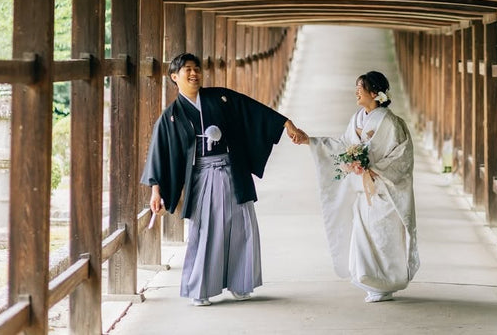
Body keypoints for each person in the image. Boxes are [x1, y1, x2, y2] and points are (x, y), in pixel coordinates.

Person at [140, 53, 307, 306]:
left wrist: (286, 123)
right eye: (188, 70)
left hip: (232, 170)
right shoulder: (171, 116)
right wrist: (156, 191)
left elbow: (252, 110)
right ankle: (200, 288)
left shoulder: (220, 98)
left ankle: (241, 283)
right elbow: (159, 153)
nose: (194, 73)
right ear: (174, 77)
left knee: (242, 224)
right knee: (207, 230)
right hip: (203, 176)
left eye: (197, 69)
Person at [299, 70, 419, 303]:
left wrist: (375, 169)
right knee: (364, 235)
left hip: (385, 190)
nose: (356, 92)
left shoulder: (392, 123)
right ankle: (370, 281)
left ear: (374, 92)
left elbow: (402, 158)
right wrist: (310, 141)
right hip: (364, 192)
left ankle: (386, 283)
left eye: (360, 88)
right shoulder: (357, 119)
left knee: (384, 238)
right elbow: (342, 145)